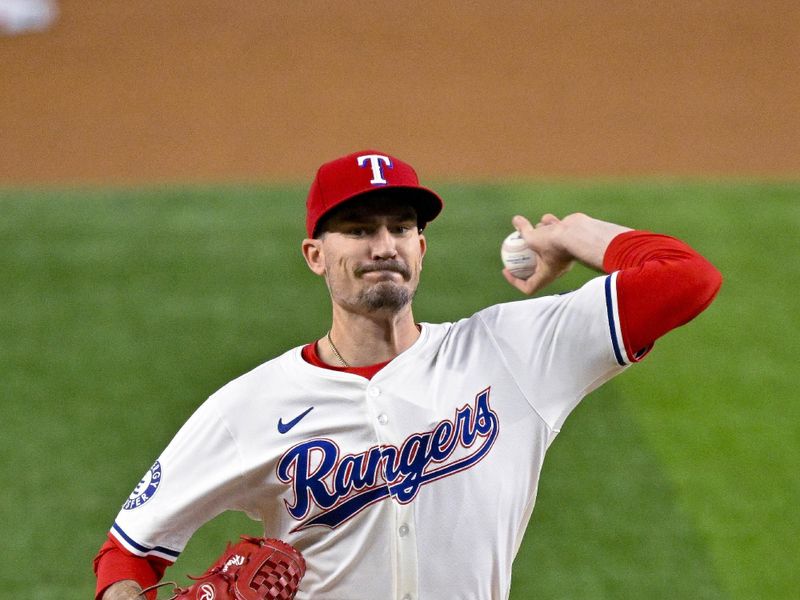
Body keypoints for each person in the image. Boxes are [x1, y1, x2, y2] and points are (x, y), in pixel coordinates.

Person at [93, 149, 722, 600]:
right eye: (359, 230)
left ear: (422, 247)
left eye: (401, 227)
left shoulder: (511, 351)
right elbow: (129, 552)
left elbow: (685, 279)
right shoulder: (248, 407)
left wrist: (579, 233)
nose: (383, 245)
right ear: (316, 256)